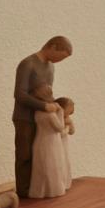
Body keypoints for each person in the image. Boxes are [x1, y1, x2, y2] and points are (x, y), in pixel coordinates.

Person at [13, 36, 72, 198]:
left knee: (42, 156)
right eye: (60, 56)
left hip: (45, 119)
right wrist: (44, 106)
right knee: (25, 154)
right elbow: (19, 94)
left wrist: (59, 111)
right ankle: (24, 192)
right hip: (25, 117)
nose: (59, 61)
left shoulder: (50, 68)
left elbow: (48, 93)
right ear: (52, 47)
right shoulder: (28, 64)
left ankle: (39, 188)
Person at [27, 86, 74, 198]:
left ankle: (41, 191)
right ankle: (53, 190)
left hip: (40, 141)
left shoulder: (37, 112)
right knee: (52, 166)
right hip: (51, 142)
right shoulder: (50, 114)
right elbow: (59, 127)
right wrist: (60, 112)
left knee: (42, 167)